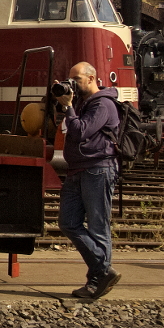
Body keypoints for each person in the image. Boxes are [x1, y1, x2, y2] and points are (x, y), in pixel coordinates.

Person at [53, 61, 121, 299]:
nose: (73, 84)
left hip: (98, 169)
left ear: (91, 78)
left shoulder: (103, 104)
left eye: (77, 80)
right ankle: (104, 271)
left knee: (98, 228)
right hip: (77, 170)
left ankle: (96, 282)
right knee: (67, 222)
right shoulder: (81, 103)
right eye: (71, 79)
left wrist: (69, 108)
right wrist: (61, 104)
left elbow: (82, 131)